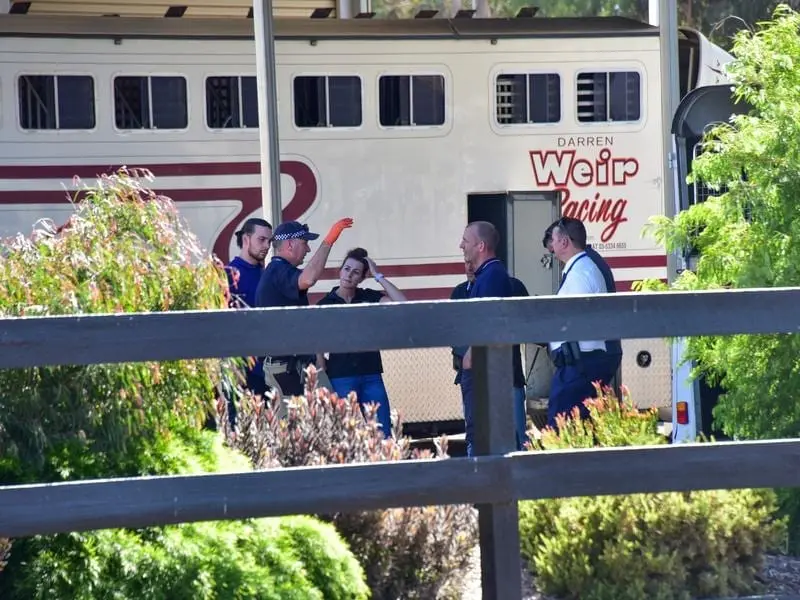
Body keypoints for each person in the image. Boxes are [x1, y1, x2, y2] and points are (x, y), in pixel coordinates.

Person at [255, 217, 353, 398]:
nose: (308, 249)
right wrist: (328, 241)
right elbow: (309, 278)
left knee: (329, 413)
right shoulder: (278, 271)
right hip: (287, 368)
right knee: (294, 422)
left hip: (297, 364)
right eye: (305, 243)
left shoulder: (280, 271)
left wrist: (317, 357)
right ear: (290, 245)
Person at [316, 248, 407, 437]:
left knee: (383, 433)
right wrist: (320, 367)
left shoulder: (368, 296)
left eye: (356, 272)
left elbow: (402, 305)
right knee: (344, 434)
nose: (349, 275)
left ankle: (384, 466)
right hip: (341, 376)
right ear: (340, 270)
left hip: (371, 374)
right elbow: (316, 339)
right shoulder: (326, 303)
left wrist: (378, 275)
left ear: (362, 278)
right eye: (346, 269)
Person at [543, 217, 622, 429]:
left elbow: (569, 321)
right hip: (584, 362)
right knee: (580, 426)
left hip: (580, 364)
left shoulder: (580, 273)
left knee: (562, 427)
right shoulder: (584, 266)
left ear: (565, 242)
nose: (551, 245)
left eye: (554, 239)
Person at [450, 259, 530, 450]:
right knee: (477, 437)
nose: (469, 267)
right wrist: (469, 351)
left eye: (473, 262)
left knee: (516, 437)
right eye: (466, 262)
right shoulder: (459, 293)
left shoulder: (514, 286)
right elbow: (453, 332)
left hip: (510, 376)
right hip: (473, 377)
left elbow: (525, 322)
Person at [457, 221, 514, 457]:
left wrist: (470, 356)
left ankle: (482, 485)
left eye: (466, 241)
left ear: (481, 246)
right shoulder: (486, 276)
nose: (461, 245)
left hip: (484, 373)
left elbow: (489, 326)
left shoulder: (492, 277)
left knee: (480, 431)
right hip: (482, 371)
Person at [223, 218, 273, 423]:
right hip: (239, 367)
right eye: (261, 240)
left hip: (267, 367)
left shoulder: (268, 275)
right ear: (246, 239)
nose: (266, 246)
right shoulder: (227, 274)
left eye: (269, 241)